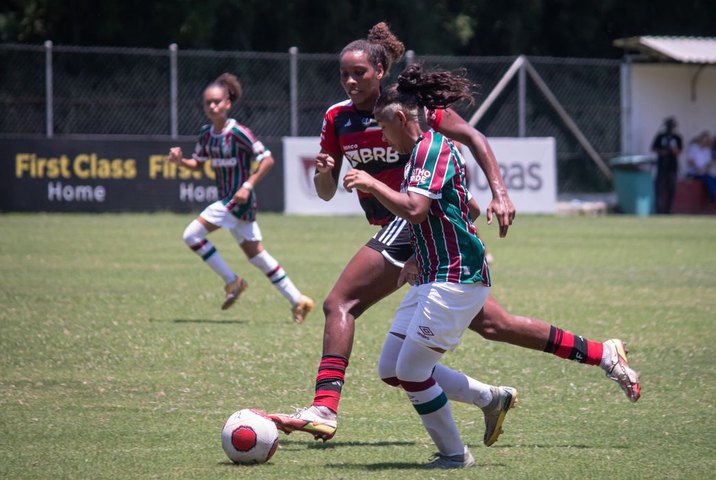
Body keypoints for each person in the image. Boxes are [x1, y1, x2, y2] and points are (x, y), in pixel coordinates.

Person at [270, 22, 640, 443]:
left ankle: (324, 406)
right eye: (344, 75)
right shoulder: (337, 118)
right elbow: (324, 192)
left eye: (360, 73)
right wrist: (324, 173)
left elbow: (474, 138)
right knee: (494, 325)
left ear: (380, 70)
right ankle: (588, 359)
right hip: (413, 231)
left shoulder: (412, 109)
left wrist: (499, 193)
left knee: (341, 301)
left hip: (411, 221)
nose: (351, 81)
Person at [341, 64, 497, 468]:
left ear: (399, 118)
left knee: (412, 371)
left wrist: (372, 183)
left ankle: (454, 456)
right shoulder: (419, 155)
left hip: (455, 278)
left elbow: (414, 209)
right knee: (392, 368)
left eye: (384, 129)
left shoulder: (430, 149)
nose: (383, 138)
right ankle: (490, 398)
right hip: (432, 273)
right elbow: (461, 208)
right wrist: (414, 257)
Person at [168, 73, 314, 322]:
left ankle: (232, 281)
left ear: (228, 103)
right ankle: (298, 300)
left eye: (217, 102)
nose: (212, 106)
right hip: (231, 202)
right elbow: (198, 164)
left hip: (237, 201)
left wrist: (248, 184)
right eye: (208, 103)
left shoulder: (239, 133)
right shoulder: (206, 134)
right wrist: (180, 160)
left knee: (191, 235)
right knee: (257, 256)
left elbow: (267, 159)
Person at [651, 117, 683, 214]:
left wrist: (673, 150)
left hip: (672, 166)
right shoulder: (660, 137)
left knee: (672, 189)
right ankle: (658, 211)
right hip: (662, 165)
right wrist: (662, 152)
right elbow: (653, 148)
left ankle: (668, 210)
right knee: (658, 189)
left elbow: (679, 151)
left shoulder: (677, 138)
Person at [686, 131, 716, 207]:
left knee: (714, 179)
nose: (705, 142)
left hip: (704, 172)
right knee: (708, 179)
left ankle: (713, 199)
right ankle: (714, 199)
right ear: (700, 139)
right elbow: (690, 161)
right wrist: (698, 169)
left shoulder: (707, 150)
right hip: (693, 172)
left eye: (706, 140)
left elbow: (709, 163)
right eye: (703, 140)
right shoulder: (693, 147)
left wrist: (705, 169)